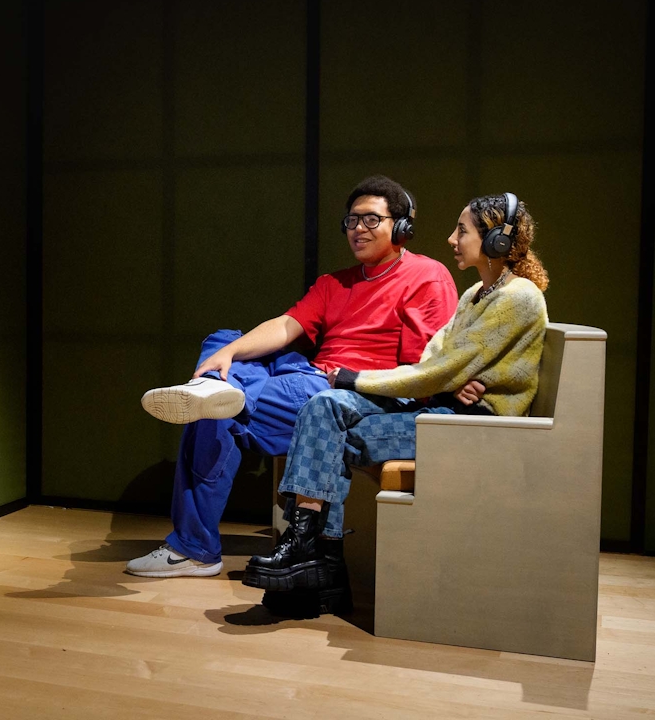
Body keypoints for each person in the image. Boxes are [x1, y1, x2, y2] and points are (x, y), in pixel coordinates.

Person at [126, 175, 460, 578]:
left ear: (401, 226)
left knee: (213, 414)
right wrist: (229, 354)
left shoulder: (428, 275)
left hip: (351, 390)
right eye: (352, 220)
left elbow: (423, 366)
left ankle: (194, 547)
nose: (357, 228)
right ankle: (216, 389)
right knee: (224, 342)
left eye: (371, 219)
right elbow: (287, 326)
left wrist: (359, 380)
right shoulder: (334, 282)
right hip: (308, 375)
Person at [243, 193, 549, 602]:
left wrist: (356, 379)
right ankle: (312, 555)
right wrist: (449, 379)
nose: (451, 239)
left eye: (462, 231)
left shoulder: (519, 297)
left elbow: (437, 372)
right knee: (323, 406)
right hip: (447, 408)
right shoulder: (476, 293)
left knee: (332, 434)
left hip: (476, 426)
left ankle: (321, 561)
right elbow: (437, 362)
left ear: (495, 239)